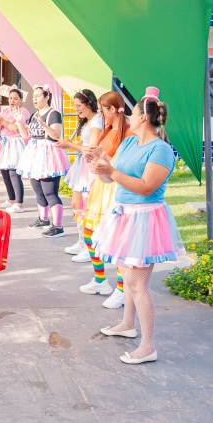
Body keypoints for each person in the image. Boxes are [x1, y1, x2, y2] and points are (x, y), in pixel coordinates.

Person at [92, 87, 182, 365]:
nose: (126, 114)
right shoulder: (130, 143)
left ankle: (148, 346)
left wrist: (112, 171)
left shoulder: (161, 150)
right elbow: (112, 179)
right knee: (125, 273)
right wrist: (101, 167)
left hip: (145, 219)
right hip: (123, 214)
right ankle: (127, 324)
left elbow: (145, 187)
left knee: (136, 283)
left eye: (132, 111)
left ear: (143, 117)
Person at [79, 91, 134, 309]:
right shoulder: (109, 130)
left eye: (104, 110)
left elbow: (123, 165)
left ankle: (122, 290)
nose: (103, 115)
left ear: (112, 109)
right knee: (89, 232)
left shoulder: (128, 133)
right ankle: (101, 280)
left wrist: (102, 157)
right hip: (100, 187)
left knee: (118, 241)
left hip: (115, 189)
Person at [16, 86, 69, 238]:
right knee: (37, 189)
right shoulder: (34, 114)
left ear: (47, 96)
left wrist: (43, 124)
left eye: (38, 95)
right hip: (34, 155)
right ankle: (43, 219)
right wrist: (20, 122)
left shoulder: (54, 114)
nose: (35, 98)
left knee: (50, 192)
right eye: (34, 96)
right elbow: (27, 137)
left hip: (49, 156)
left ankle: (58, 226)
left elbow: (56, 135)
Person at [57, 89, 102, 262]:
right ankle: (82, 241)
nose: (76, 109)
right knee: (76, 204)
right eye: (74, 106)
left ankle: (91, 248)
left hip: (90, 168)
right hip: (82, 165)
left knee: (86, 206)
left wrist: (69, 144)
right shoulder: (86, 121)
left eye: (78, 105)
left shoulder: (97, 120)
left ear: (89, 103)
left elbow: (92, 148)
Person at [0, 87, 29, 213]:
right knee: (5, 172)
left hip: (15, 142)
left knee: (14, 172)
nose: (12, 100)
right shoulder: (5, 110)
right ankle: (11, 199)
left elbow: (16, 128)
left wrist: (3, 121)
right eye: (10, 98)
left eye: (16, 98)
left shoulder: (23, 111)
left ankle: (19, 202)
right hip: (4, 142)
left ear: (21, 100)